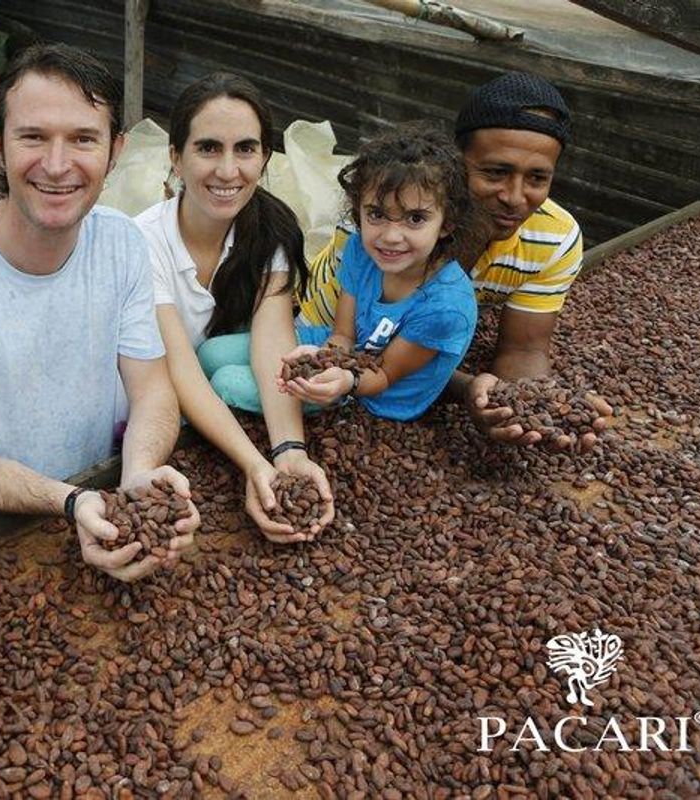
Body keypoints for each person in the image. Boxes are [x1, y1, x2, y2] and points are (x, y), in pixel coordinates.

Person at [0, 44, 199, 583]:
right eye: (33, 136)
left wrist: (140, 474)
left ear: (116, 150)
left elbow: (152, 387)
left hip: (94, 493)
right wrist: (70, 502)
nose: (57, 166)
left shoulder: (122, 242)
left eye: (83, 139)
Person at [296, 73, 611, 447]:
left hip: (406, 353)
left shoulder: (555, 239)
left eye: (537, 178)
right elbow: (355, 347)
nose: (514, 197)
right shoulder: (376, 229)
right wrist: (465, 387)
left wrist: (533, 406)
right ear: (456, 165)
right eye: (496, 172)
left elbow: (523, 349)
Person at [132, 73, 334, 544]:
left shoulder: (270, 230)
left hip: (205, 370)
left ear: (265, 158)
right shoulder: (142, 242)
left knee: (231, 363)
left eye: (245, 149)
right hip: (154, 382)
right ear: (175, 158)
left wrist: (289, 453)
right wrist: (253, 464)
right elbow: (178, 369)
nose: (228, 170)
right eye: (207, 148)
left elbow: (272, 342)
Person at [281, 124, 480, 422]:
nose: (390, 236)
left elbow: (384, 375)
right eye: (376, 214)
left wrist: (343, 380)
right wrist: (323, 359)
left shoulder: (446, 306)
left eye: (415, 218)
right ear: (357, 211)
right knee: (217, 353)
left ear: (447, 223)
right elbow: (343, 334)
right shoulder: (360, 250)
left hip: (375, 401)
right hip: (343, 356)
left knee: (230, 382)